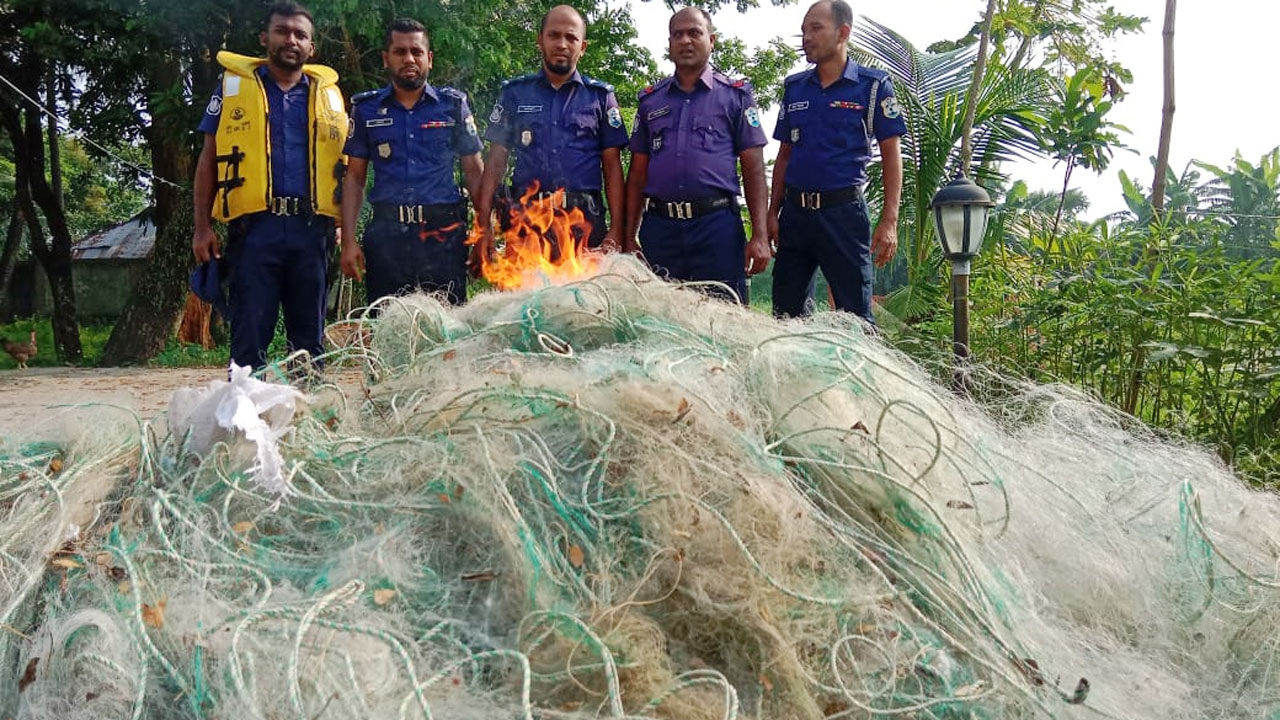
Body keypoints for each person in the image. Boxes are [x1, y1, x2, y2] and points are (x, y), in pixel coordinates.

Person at [192, 1, 347, 371]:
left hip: (312, 232)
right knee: (249, 338)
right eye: (282, 31)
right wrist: (202, 228)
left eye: (300, 34)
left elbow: (349, 170)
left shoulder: (328, 95)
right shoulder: (231, 89)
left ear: (312, 47)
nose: (290, 40)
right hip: (254, 231)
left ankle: (307, 422)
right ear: (265, 38)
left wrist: (344, 224)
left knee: (309, 343)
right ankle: (243, 423)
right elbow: (208, 161)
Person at [768, 0, 905, 324]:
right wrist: (773, 213)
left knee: (855, 316)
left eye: (816, 28)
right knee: (785, 316)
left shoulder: (873, 87)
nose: (806, 37)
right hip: (796, 216)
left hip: (843, 215)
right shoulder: (794, 88)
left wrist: (890, 220)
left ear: (843, 32)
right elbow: (784, 155)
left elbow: (891, 154)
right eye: (803, 30)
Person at [622, 7, 771, 304]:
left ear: (711, 40)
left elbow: (753, 170)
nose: (685, 40)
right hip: (660, 231)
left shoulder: (736, 96)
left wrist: (760, 235)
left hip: (716, 228)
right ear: (669, 44)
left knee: (725, 321)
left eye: (694, 33)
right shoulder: (651, 101)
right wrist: (628, 235)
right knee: (656, 321)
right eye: (678, 35)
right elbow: (637, 174)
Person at [340, 18, 484, 305]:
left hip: (443, 236)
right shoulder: (366, 109)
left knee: (448, 331)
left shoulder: (452, 106)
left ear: (428, 59)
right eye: (400, 51)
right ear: (386, 58)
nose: (409, 59)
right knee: (388, 329)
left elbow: (474, 171)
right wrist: (348, 240)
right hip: (387, 237)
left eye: (416, 52)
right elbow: (354, 178)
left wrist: (484, 231)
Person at [472, 4, 628, 267]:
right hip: (527, 223)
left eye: (571, 37)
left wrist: (617, 229)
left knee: (584, 305)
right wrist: (483, 222)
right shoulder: (515, 93)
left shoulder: (600, 97)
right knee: (525, 305)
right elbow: (496, 161)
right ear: (540, 41)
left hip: (584, 224)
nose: (562, 44)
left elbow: (612, 167)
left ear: (583, 46)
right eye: (554, 35)